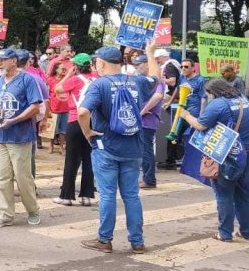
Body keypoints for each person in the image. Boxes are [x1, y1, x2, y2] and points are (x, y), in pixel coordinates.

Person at [77, 44, 158, 254]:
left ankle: (105, 240)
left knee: (107, 195)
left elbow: (83, 112)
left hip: (107, 147)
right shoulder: (137, 81)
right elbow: (156, 78)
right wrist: (150, 53)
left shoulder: (99, 85)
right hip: (133, 147)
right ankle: (137, 242)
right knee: (131, 195)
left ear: (101, 63)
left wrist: (87, 133)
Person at [175, 77, 249, 242]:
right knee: (242, 192)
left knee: (224, 193)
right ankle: (247, 231)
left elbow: (200, 125)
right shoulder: (242, 99)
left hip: (228, 153)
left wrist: (185, 115)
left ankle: (225, 233)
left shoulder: (218, 104)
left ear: (214, 92)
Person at [0, 48, 43, 228]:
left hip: (20, 136)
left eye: (3, 60)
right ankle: (4, 214)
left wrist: (14, 120)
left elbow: (35, 106)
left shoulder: (27, 80)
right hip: (0, 135)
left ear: (13, 61)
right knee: (2, 176)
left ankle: (33, 210)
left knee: (22, 176)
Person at [54, 53, 98, 206]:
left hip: (75, 120)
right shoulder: (96, 79)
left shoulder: (74, 80)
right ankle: (86, 196)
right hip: (93, 121)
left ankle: (66, 196)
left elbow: (57, 89)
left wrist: (68, 76)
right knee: (89, 158)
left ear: (76, 67)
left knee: (72, 159)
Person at [168, 58, 207, 169]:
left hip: (193, 113)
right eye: (181, 67)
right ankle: (170, 161)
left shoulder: (200, 80)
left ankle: (192, 163)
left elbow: (203, 98)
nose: (183, 69)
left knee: (191, 137)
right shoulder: (182, 77)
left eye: (186, 67)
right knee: (174, 135)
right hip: (182, 111)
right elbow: (177, 89)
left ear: (193, 68)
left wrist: (201, 115)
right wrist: (170, 101)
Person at [134, 55, 165, 189]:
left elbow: (158, 96)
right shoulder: (143, 80)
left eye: (139, 64)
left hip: (147, 119)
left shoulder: (156, 81)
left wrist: (142, 111)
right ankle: (147, 178)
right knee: (143, 150)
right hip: (143, 119)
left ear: (147, 64)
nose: (136, 67)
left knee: (145, 150)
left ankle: (149, 179)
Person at [48, 61, 70, 155]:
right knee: (52, 130)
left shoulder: (68, 79)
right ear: (56, 70)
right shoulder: (50, 80)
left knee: (63, 130)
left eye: (65, 69)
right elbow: (47, 95)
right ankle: (51, 145)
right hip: (54, 108)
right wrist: (48, 109)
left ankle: (61, 147)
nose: (64, 70)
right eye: (62, 68)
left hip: (66, 108)